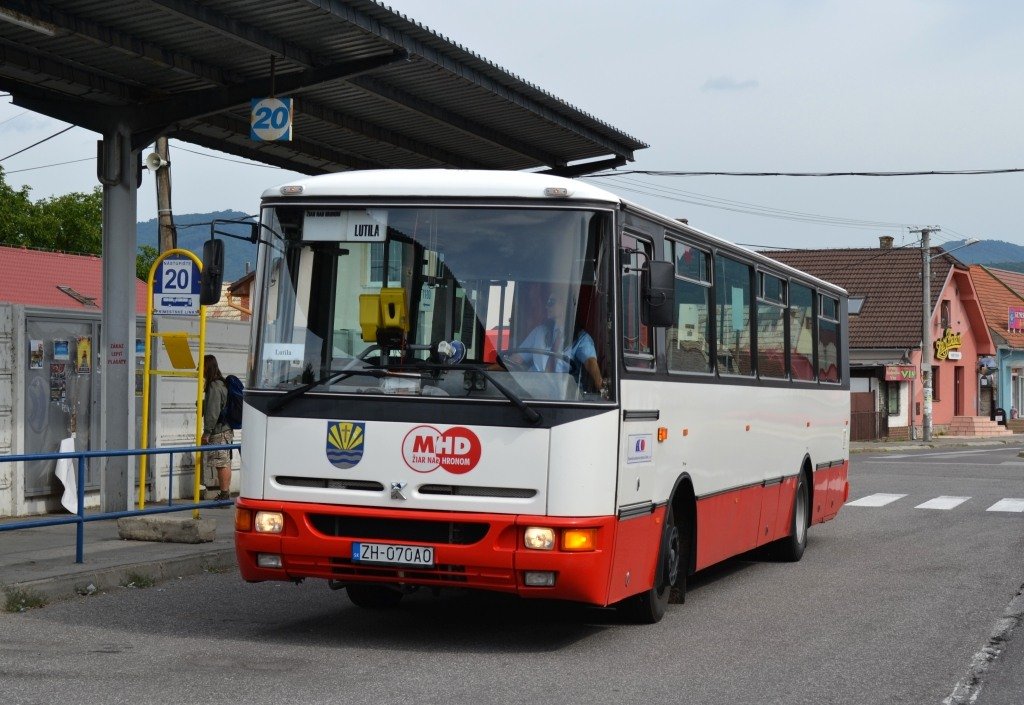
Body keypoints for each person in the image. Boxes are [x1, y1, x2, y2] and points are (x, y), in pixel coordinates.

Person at [506, 289, 604, 394]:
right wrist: (491, 369)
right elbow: (516, 359)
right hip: (532, 392)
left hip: (562, 395)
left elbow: (590, 362)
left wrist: (600, 384)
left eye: (551, 302)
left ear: (565, 305)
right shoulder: (540, 331)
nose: (546, 307)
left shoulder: (581, 338)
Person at [201, 354, 233, 500]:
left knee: (221, 463)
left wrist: (206, 433)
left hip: (219, 431)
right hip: (225, 429)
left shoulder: (214, 385)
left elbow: (213, 412)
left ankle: (225, 494)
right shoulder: (222, 383)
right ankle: (225, 493)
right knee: (224, 462)